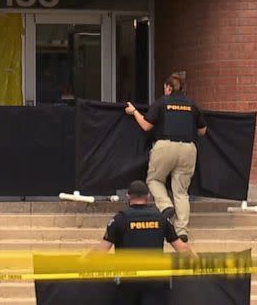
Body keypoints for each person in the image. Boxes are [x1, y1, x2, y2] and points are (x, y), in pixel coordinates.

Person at [124, 74, 207, 242]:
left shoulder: (162, 102)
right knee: (181, 192)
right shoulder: (192, 105)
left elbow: (146, 125)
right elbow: (203, 131)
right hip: (189, 148)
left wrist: (134, 112)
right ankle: (181, 231)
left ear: (168, 88)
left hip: (165, 146)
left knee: (154, 180)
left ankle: (165, 206)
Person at [89, 180, 194, 305]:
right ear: (148, 196)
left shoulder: (119, 219)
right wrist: (203, 265)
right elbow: (182, 249)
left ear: (128, 196)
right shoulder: (161, 219)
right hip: (155, 280)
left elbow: (101, 251)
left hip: (128, 281)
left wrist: (81, 262)